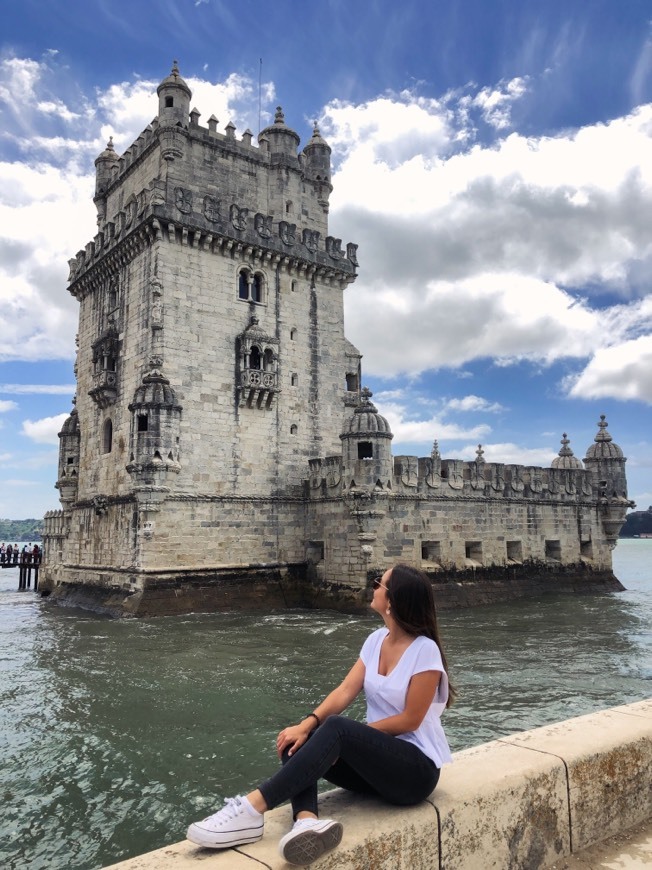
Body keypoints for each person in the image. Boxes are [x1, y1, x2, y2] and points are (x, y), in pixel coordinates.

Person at [186, 564, 455, 865]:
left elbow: (410, 721)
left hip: (415, 773)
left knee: (337, 730)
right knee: (298, 740)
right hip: (379, 771)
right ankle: (306, 821)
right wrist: (307, 724)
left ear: (392, 601)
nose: (374, 586)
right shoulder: (376, 640)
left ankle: (251, 808)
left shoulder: (424, 650)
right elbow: (344, 691)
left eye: (380, 583)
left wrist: (351, 741)